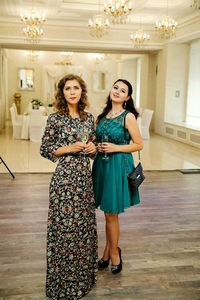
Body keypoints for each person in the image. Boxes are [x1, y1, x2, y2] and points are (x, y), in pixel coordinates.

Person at [40, 74, 98, 299]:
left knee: (82, 229)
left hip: (84, 180)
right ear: (62, 93)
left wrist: (93, 150)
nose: (72, 92)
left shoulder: (88, 118)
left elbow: (93, 147)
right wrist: (69, 148)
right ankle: (62, 282)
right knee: (64, 230)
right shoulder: (55, 119)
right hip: (64, 181)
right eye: (67, 88)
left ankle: (83, 278)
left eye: (76, 88)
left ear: (81, 91)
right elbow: (45, 149)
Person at [92, 79, 143, 274]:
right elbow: (98, 140)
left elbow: (138, 144)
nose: (117, 92)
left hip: (117, 165)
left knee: (111, 213)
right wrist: (96, 146)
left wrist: (115, 148)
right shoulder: (102, 116)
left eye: (123, 91)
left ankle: (114, 252)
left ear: (127, 97)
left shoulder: (128, 116)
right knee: (107, 212)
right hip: (102, 165)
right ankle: (107, 251)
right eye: (116, 88)